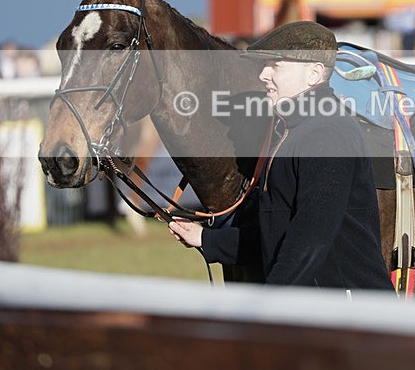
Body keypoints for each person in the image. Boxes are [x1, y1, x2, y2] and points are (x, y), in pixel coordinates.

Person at [168, 21, 393, 291]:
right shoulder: (292, 131)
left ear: (314, 73)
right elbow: (274, 232)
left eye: (276, 65)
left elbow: (308, 243)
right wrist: (206, 239)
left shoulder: (327, 134)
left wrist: (269, 307)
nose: (263, 74)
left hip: (350, 319)